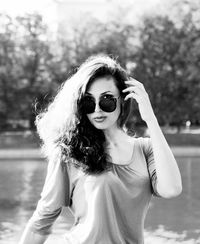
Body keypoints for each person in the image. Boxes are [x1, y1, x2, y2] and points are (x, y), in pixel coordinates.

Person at [18, 54, 182, 244]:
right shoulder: (70, 151)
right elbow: (42, 219)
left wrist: (150, 118)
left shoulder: (145, 149)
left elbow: (171, 189)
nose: (97, 109)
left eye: (106, 100)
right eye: (88, 101)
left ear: (122, 99)